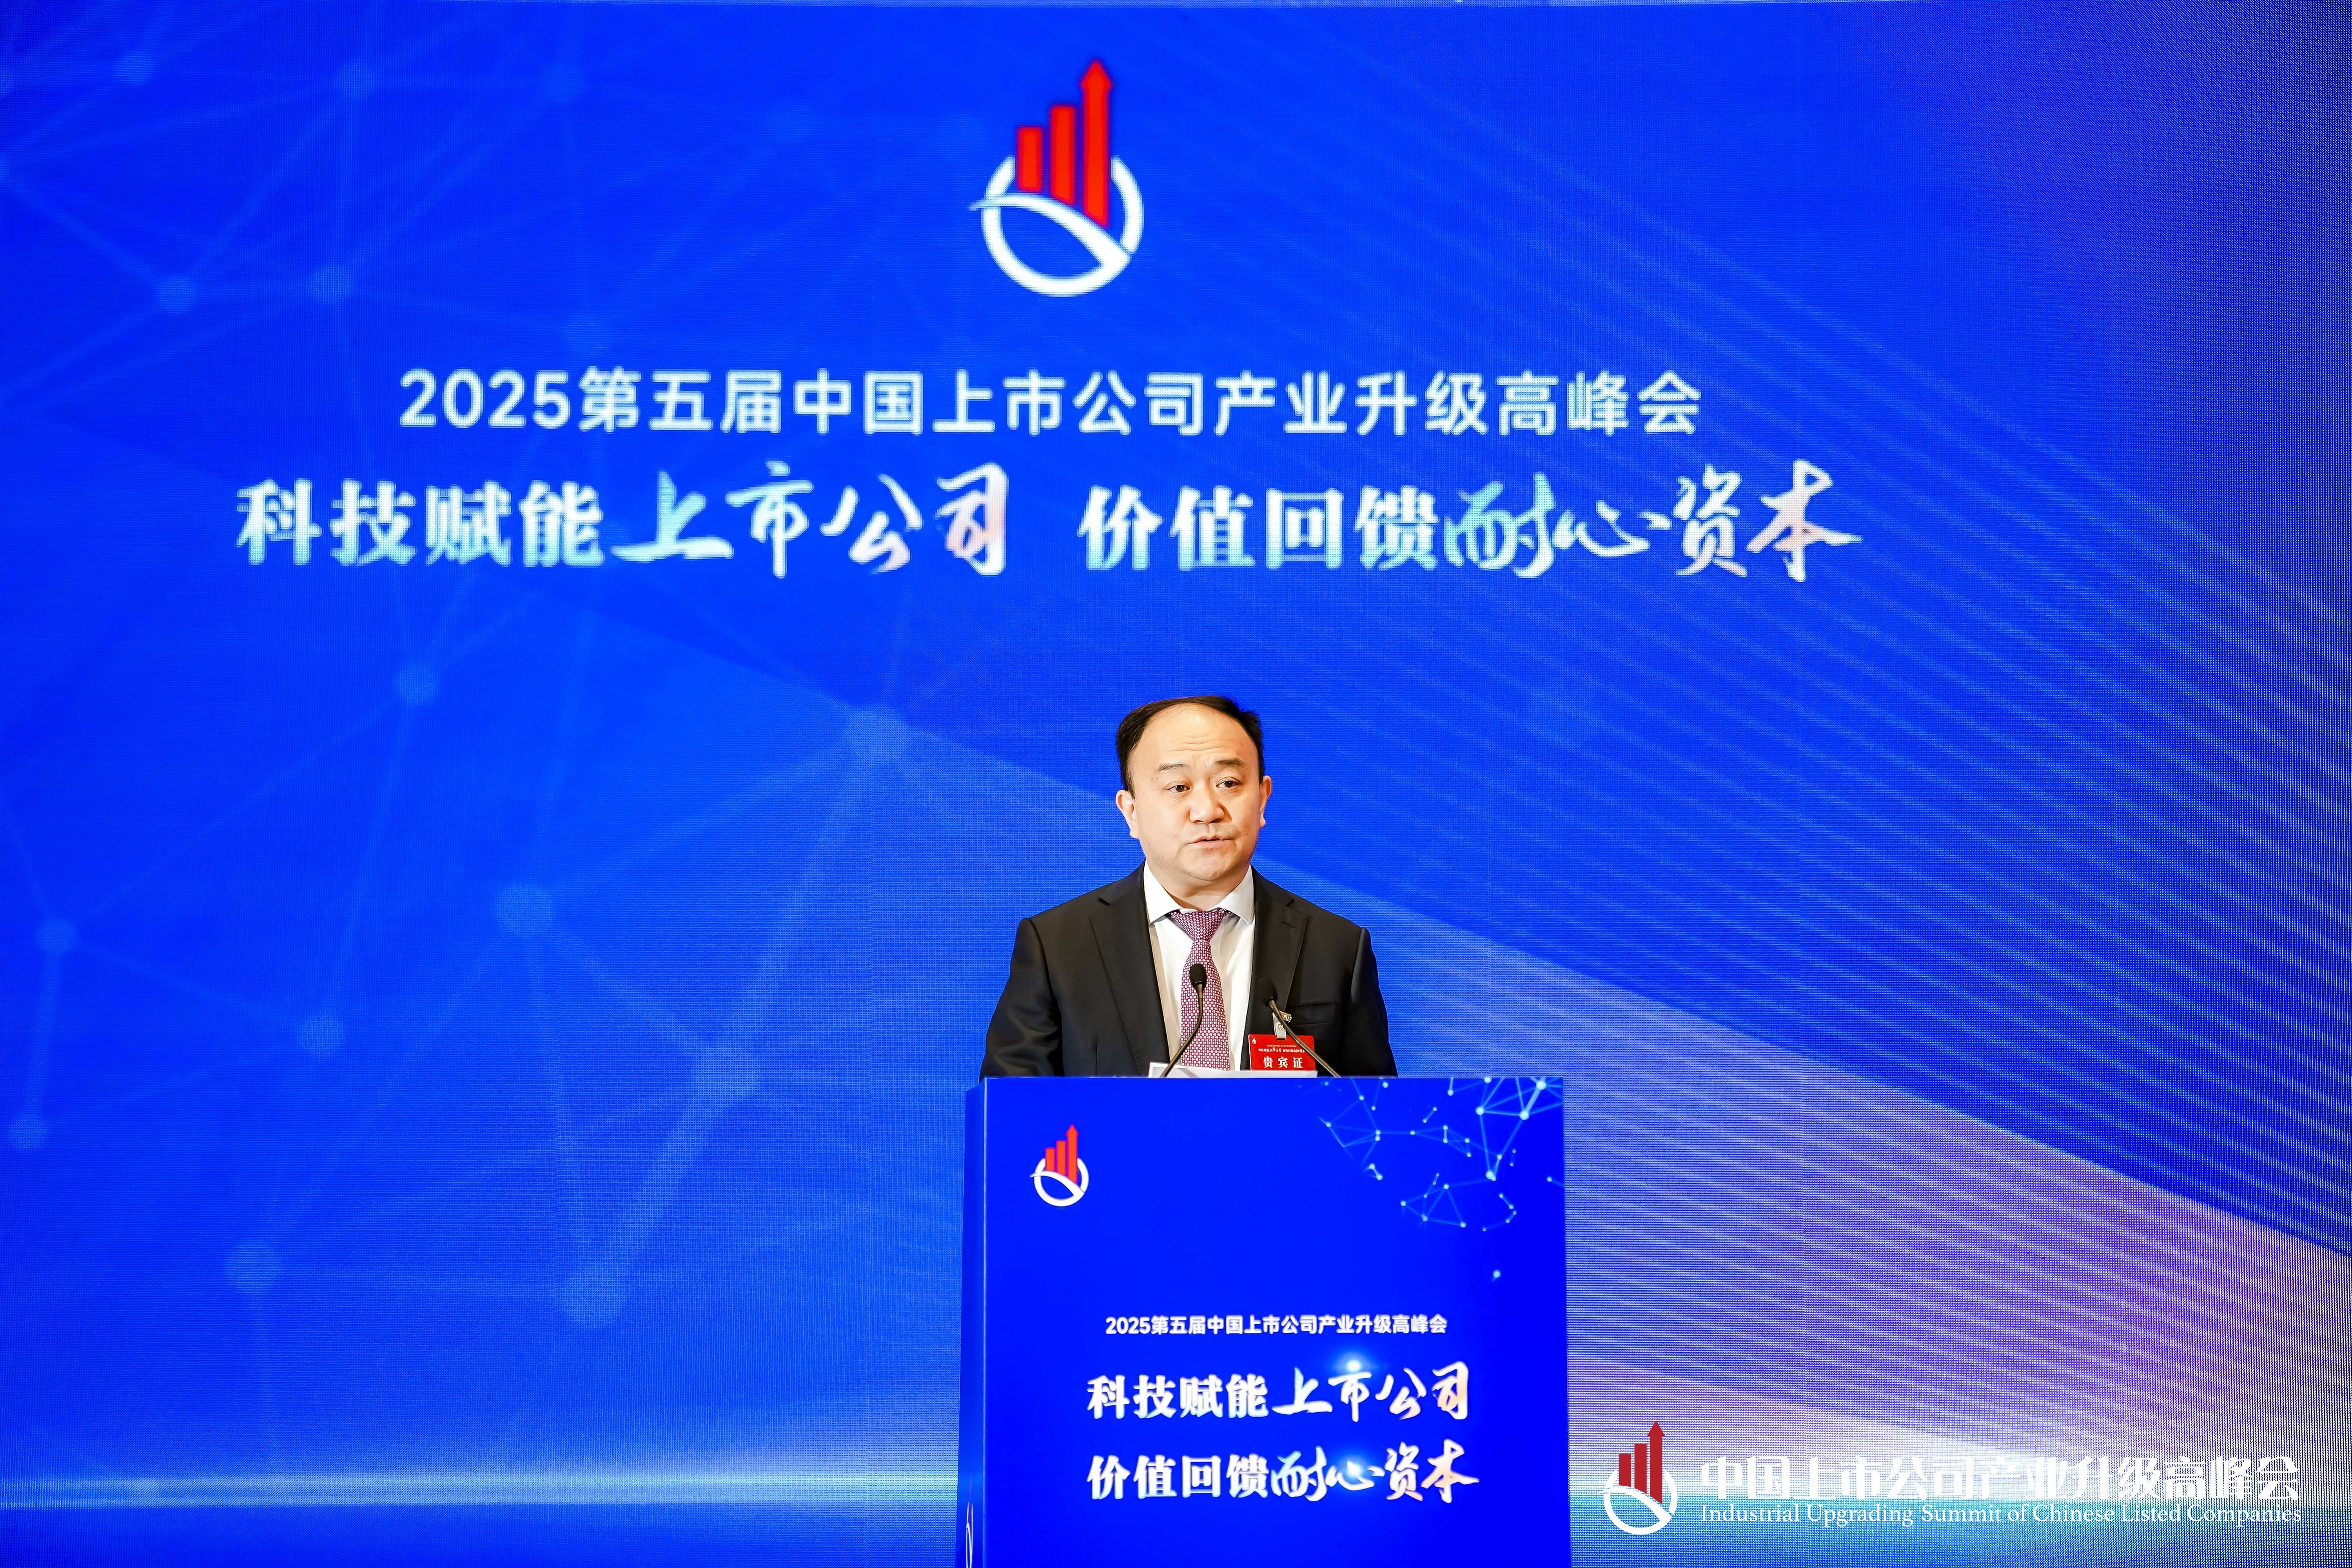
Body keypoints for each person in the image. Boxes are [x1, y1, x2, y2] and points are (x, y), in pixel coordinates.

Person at [981, 696, 1395, 1077]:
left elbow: (1376, 1114)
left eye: (1229, 783)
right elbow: (1010, 1114)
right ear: (1131, 811)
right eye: (1178, 787)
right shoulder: (1058, 946)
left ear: (1263, 798)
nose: (1207, 810)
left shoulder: (1337, 948)